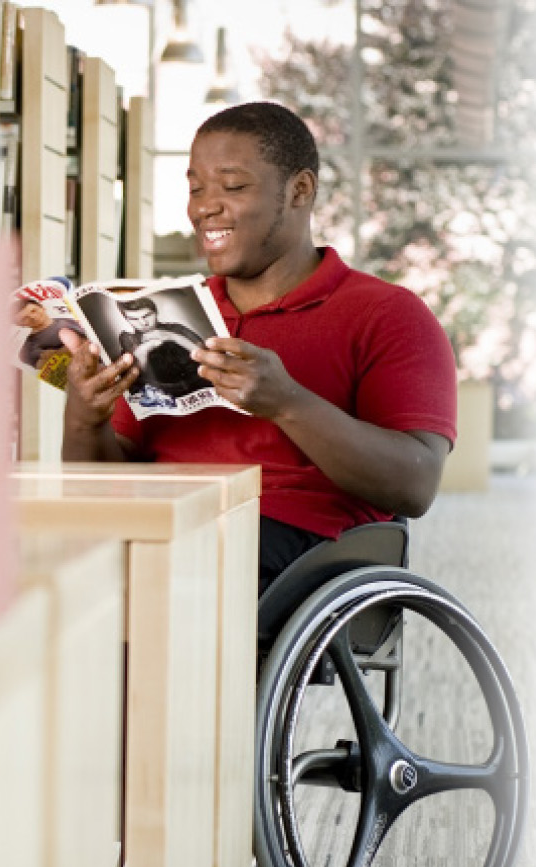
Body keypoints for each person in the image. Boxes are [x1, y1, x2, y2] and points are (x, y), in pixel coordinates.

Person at [61, 101, 457, 593]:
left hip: (295, 545)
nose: (204, 207)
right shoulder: (166, 314)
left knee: (156, 571)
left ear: (300, 191)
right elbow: (99, 488)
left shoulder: (388, 315)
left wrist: (288, 403)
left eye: (233, 186)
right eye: (195, 188)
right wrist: (84, 417)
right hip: (157, 525)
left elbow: (414, 486)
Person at [114, 296, 210, 399]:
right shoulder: (128, 339)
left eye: (147, 315)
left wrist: (172, 337)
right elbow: (137, 378)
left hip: (200, 385)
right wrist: (144, 349)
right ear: (126, 319)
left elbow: (206, 356)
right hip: (163, 395)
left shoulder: (176, 328)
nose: (143, 323)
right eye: (133, 319)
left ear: (155, 312)